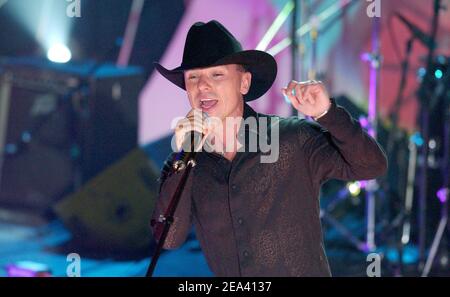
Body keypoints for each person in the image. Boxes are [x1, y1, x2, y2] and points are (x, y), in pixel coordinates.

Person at [150, 20, 387, 277]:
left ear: (244, 83)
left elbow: (371, 165)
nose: (202, 86)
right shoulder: (185, 163)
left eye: (216, 74)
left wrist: (327, 113)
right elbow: (168, 239)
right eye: (193, 77)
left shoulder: (291, 138)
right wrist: (182, 158)